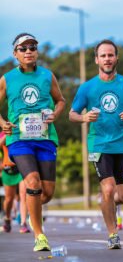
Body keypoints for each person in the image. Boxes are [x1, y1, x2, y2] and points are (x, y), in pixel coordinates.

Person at [69, 39, 123, 249]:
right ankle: (113, 234)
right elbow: (72, 114)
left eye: (110, 55)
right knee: (109, 189)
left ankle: (105, 202)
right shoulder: (87, 87)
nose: (107, 59)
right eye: (103, 55)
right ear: (96, 59)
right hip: (99, 145)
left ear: (116, 58)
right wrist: (84, 118)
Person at [0, 33, 65, 251]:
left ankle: (33, 214)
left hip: (45, 138)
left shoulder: (47, 76)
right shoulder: (7, 79)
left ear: (37, 51)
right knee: (33, 182)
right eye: (23, 48)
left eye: (32, 47)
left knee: (45, 194)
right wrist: (2, 123)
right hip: (19, 139)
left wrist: (55, 114)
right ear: (15, 54)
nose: (28, 51)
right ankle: (39, 235)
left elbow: (61, 101)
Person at [0, 131, 30, 233]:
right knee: (9, 199)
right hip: (8, 169)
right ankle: (7, 219)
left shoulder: (22, 131)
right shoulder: (4, 133)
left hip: (21, 168)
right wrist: (7, 133)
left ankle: (23, 223)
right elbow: (0, 144)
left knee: (23, 195)